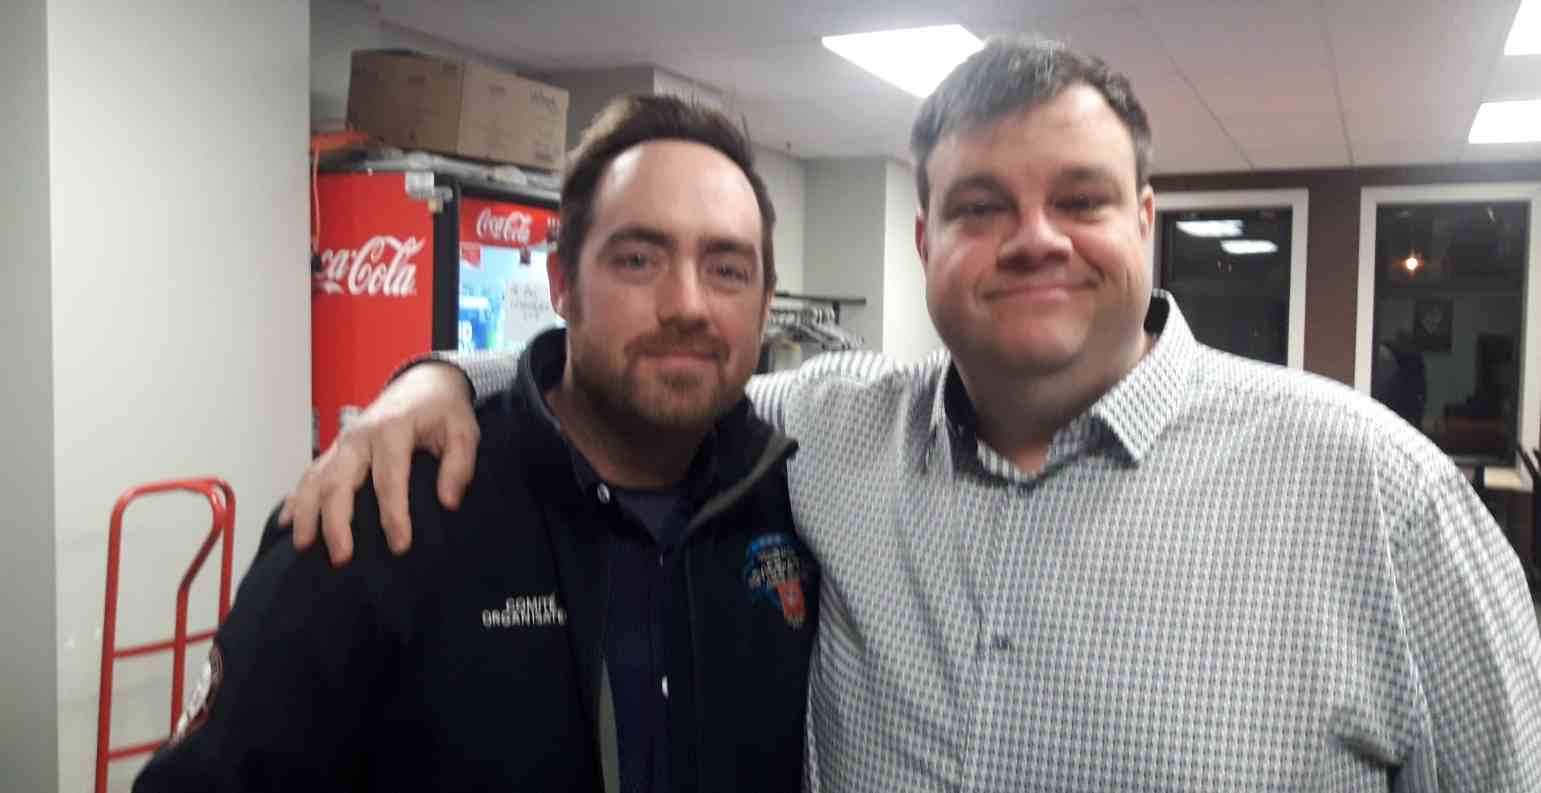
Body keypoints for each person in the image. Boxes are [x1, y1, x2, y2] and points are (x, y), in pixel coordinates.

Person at [284, 36, 1541, 791]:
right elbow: (651, 372)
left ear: (1145, 224)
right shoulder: (825, 429)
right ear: (926, 236)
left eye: (1081, 199)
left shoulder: (1379, 498)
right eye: (982, 205)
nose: (1032, 238)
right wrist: (438, 378)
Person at [135, 95, 819, 793]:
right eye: (638, 259)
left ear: (765, 305)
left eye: (727, 268)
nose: (687, 304)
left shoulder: (790, 501)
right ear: (562, 283)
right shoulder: (382, 512)